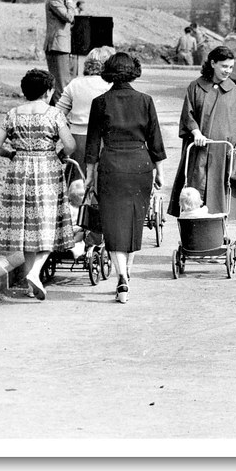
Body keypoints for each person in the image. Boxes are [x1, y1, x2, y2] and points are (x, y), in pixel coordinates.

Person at [84, 52, 166, 304]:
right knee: (134, 221)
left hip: (111, 166)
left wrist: (89, 176)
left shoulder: (100, 102)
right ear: (133, 71)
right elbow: (155, 139)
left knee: (114, 224)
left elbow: (92, 143)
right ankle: (127, 271)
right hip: (140, 165)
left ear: (108, 71)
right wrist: (160, 171)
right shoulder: (145, 100)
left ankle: (121, 276)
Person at [0, 69, 77, 301]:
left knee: (28, 227)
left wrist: (11, 154)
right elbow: (70, 145)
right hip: (47, 168)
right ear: (48, 91)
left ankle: (31, 284)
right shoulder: (54, 114)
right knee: (48, 223)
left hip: (19, 170)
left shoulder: (13, 114)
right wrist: (59, 154)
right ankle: (35, 273)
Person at [167, 45, 236, 222]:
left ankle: (219, 228)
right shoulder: (196, 87)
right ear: (213, 63)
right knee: (196, 188)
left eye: (231, 67)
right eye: (224, 66)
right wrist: (196, 133)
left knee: (222, 192)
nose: (228, 71)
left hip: (223, 151)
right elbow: (188, 115)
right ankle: (195, 227)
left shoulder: (235, 91)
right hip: (200, 149)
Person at [54, 45, 116, 176]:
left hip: (77, 138)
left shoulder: (75, 84)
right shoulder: (110, 86)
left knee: (76, 178)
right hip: (102, 138)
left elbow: (57, 114)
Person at [44, 0, 77, 104]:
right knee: (62, 85)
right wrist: (70, 2)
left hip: (62, 45)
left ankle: (54, 111)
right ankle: (59, 112)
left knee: (60, 84)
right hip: (57, 45)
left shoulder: (62, 0)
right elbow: (69, 17)